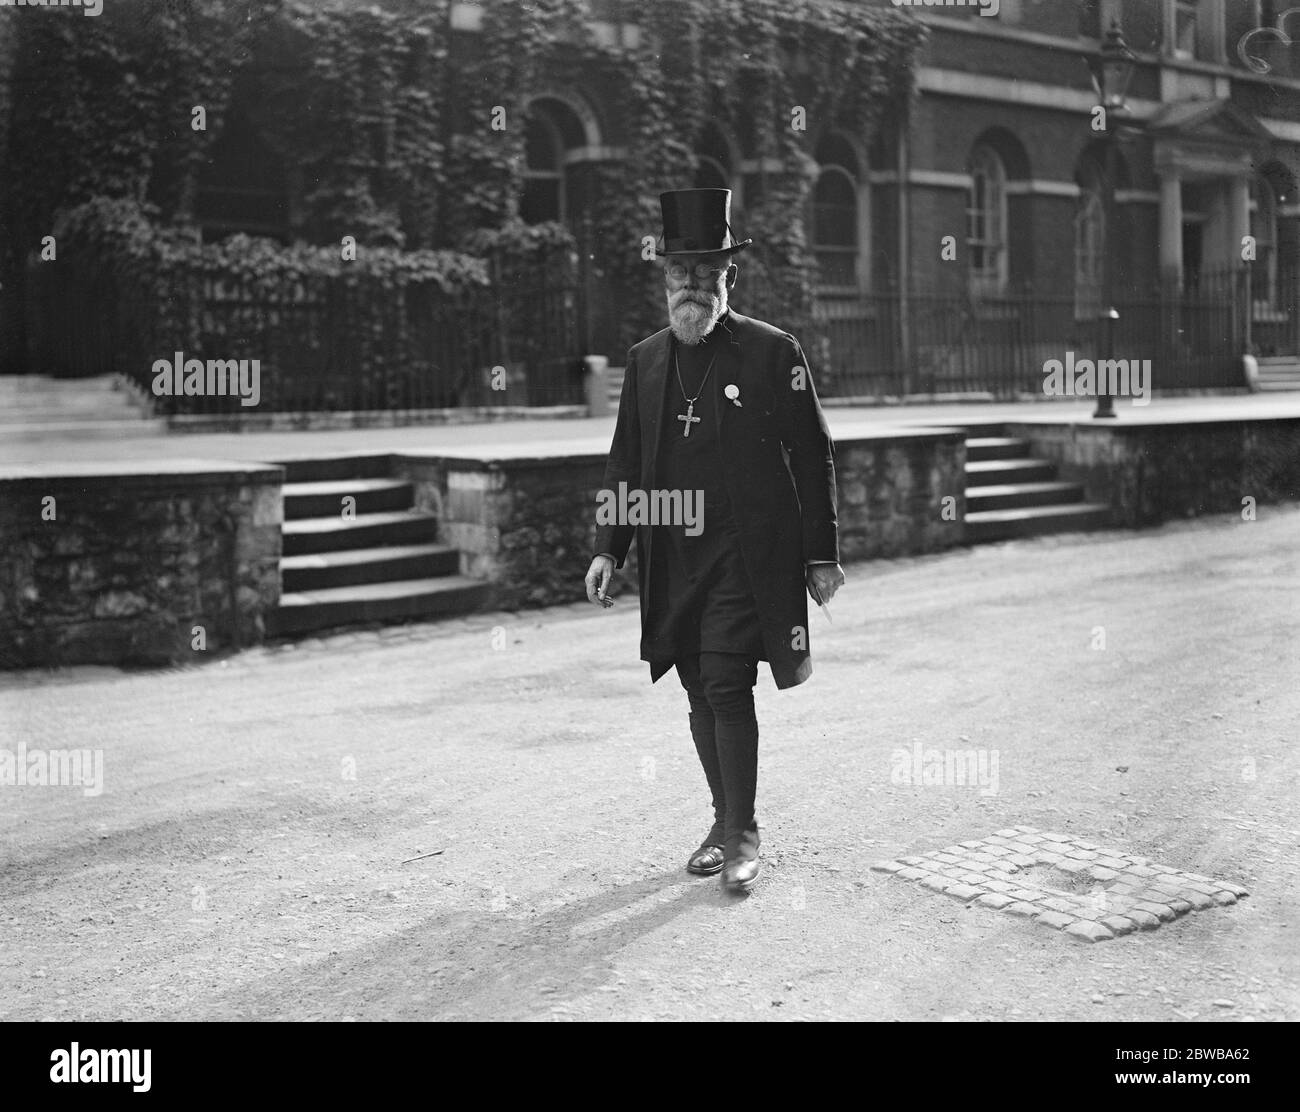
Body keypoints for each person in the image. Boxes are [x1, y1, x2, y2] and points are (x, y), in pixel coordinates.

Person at [584, 188, 844, 894]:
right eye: (680, 275)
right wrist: (609, 546)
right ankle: (721, 819)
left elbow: (812, 452)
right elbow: (624, 463)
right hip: (675, 552)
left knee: (728, 681)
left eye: (707, 275)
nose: (692, 288)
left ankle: (743, 832)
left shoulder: (771, 352)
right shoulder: (644, 362)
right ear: (665, 279)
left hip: (745, 551)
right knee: (698, 687)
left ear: (730, 278)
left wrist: (821, 554)